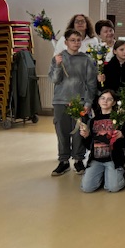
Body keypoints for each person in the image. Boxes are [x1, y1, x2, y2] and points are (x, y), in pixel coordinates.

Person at [49, 29, 98, 176]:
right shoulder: (58, 58)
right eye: (72, 40)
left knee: (78, 132)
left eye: (78, 40)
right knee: (62, 132)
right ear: (66, 42)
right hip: (61, 100)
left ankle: (78, 160)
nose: (76, 43)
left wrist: (88, 103)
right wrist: (58, 65)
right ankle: (63, 161)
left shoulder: (86, 60)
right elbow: (55, 79)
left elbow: (91, 84)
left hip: (80, 101)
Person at [80, 90, 125, 193]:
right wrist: (86, 136)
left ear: (114, 103)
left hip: (112, 160)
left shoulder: (120, 119)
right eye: (102, 98)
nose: (105, 101)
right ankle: (103, 176)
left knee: (113, 188)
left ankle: (118, 174)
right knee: (87, 188)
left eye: (109, 99)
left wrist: (121, 136)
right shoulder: (92, 121)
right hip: (96, 159)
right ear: (98, 101)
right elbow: (88, 146)